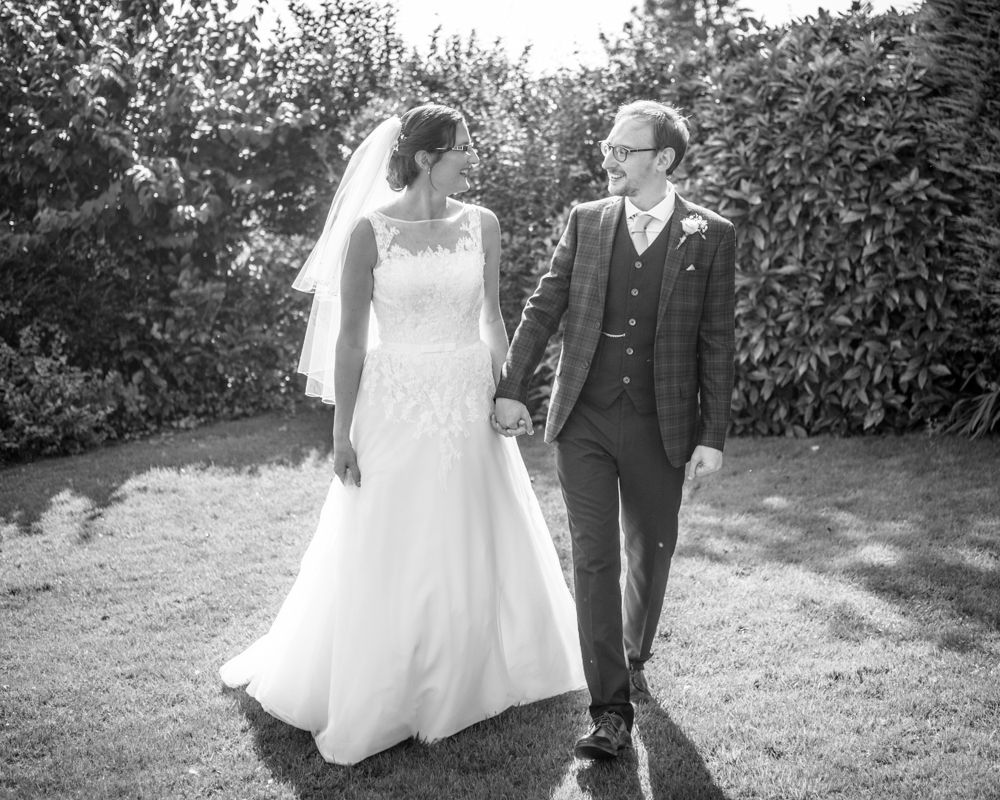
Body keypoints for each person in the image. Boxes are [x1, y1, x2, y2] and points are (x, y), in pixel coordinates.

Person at [220, 103, 584, 765]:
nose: (474, 157)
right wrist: (342, 434)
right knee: (396, 536)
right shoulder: (370, 232)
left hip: (468, 392)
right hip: (396, 402)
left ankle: (480, 671)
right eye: (464, 147)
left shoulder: (484, 225)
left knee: (474, 528)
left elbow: (494, 317)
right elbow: (352, 340)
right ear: (425, 157)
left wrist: (508, 393)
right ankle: (395, 680)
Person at [493, 100, 736, 760]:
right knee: (595, 555)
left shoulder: (709, 234)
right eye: (606, 146)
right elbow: (545, 306)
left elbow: (717, 342)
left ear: (662, 160)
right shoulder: (588, 220)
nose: (607, 158)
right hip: (585, 419)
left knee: (650, 551)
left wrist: (711, 436)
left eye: (621, 150)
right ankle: (609, 709)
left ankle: (634, 649)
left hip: (663, 424)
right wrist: (510, 388)